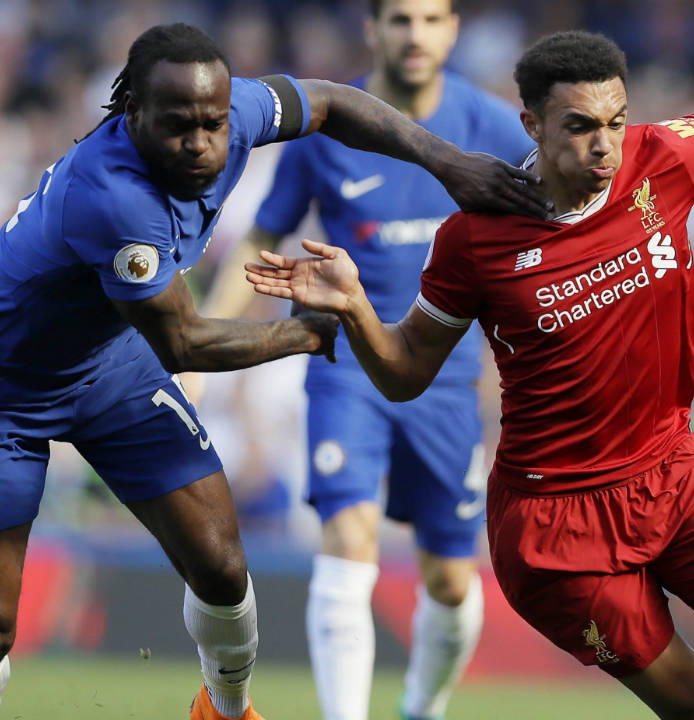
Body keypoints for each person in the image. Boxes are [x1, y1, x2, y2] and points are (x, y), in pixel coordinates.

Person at [247, 31, 694, 720]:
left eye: (617, 120)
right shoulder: (474, 238)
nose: (605, 144)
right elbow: (405, 372)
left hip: (672, 474)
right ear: (530, 123)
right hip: (556, 529)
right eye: (581, 125)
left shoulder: (661, 159)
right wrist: (353, 308)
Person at [0, 22, 546, 720]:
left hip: (108, 365)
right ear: (132, 114)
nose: (200, 144)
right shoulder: (113, 197)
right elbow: (183, 343)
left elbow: (333, 102)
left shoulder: (237, 110)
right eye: (177, 127)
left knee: (223, 568)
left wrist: (446, 161)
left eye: (212, 124)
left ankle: (225, 712)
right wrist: (311, 331)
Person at [202, 1, 529, 718]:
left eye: (432, 18)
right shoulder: (329, 129)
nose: (416, 34)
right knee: (348, 538)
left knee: (450, 579)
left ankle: (423, 705)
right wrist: (199, 339)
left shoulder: (494, 127)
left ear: (453, 30)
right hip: (346, 365)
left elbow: (573, 215)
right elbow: (264, 234)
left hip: (445, 383)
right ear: (374, 28)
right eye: (401, 18)